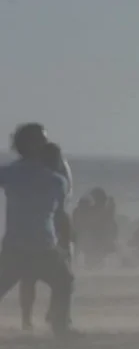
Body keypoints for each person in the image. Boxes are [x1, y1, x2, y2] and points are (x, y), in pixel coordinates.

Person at [0, 123, 75, 336]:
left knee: (63, 281)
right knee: (64, 282)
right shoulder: (56, 180)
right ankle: (60, 327)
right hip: (39, 244)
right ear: (30, 144)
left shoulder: (10, 172)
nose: (46, 144)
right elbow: (60, 215)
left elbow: (59, 214)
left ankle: (60, 327)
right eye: (41, 140)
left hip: (21, 244)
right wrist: (66, 239)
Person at [17, 136, 71, 330]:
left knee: (60, 278)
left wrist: (64, 237)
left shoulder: (59, 175)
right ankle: (31, 319)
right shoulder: (43, 174)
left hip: (45, 232)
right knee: (35, 278)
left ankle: (56, 317)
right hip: (38, 236)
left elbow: (61, 208)